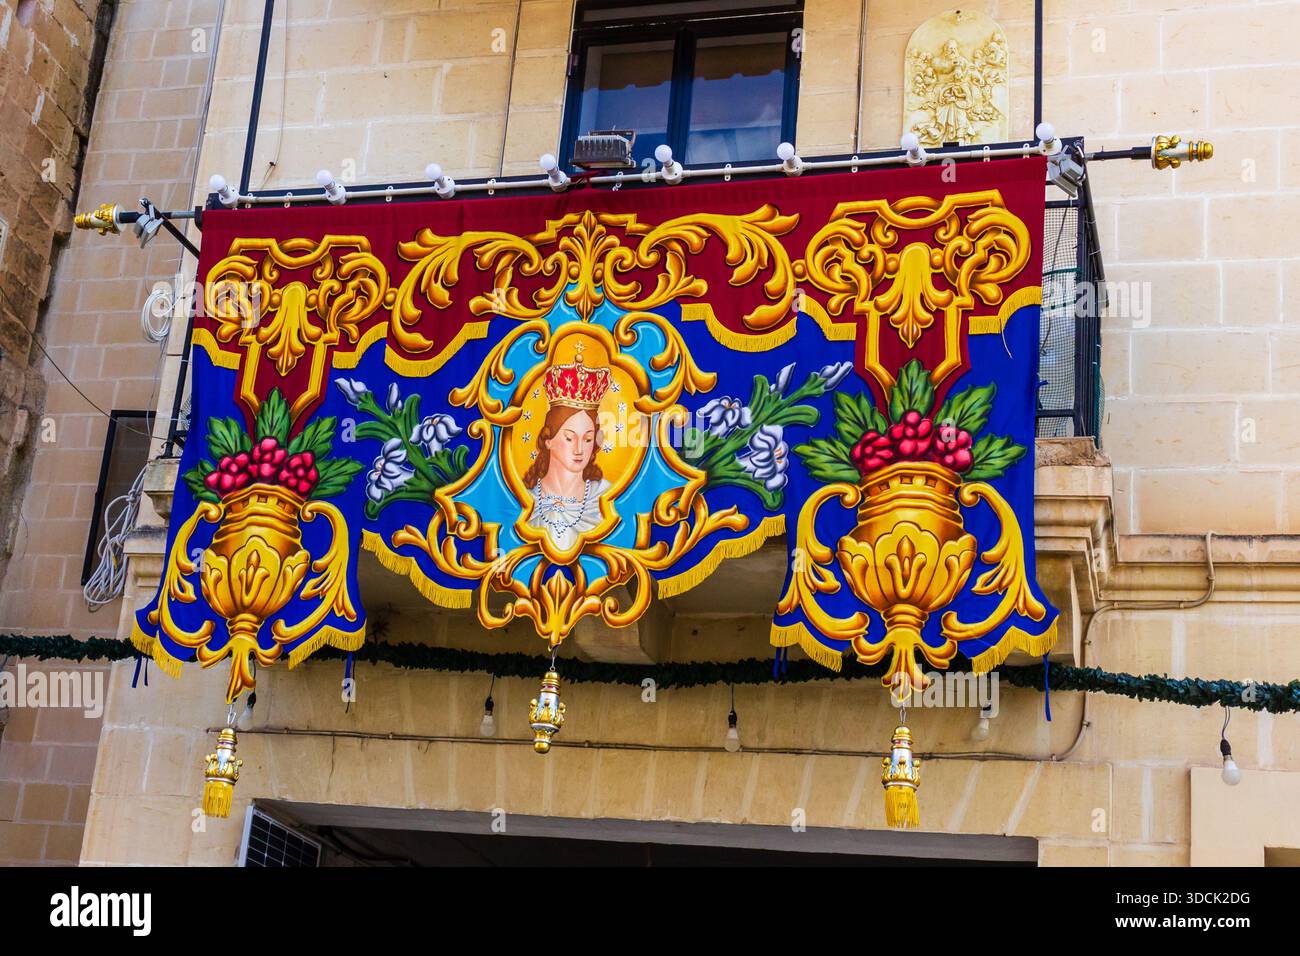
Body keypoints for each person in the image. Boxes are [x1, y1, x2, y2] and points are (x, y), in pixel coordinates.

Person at [523, 347, 613, 549]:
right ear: (549, 439)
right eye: (569, 438)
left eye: (588, 439)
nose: (579, 449)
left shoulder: (605, 495)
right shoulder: (524, 495)